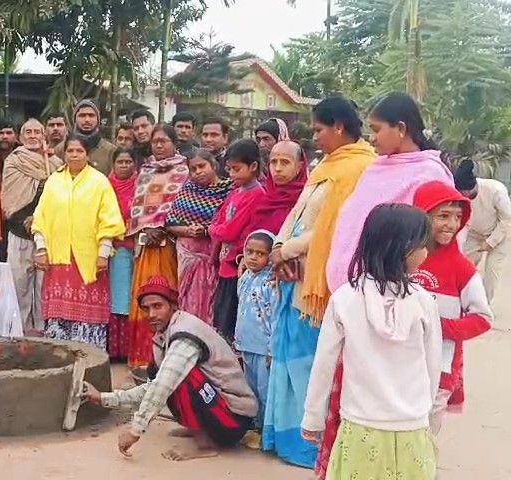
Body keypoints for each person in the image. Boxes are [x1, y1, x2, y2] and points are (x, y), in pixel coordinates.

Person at [264, 96, 376, 469]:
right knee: (288, 355)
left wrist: (290, 249)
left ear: (339, 127)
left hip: (320, 281)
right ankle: (282, 436)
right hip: (295, 272)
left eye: (318, 130)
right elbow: (300, 211)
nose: (315, 138)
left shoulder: (360, 168)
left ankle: (311, 444)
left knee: (312, 362)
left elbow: (337, 228)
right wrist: (280, 248)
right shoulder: (327, 164)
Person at [303, 203, 441, 480]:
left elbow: (323, 365)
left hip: (359, 425)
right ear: (403, 248)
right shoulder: (424, 301)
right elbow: (432, 364)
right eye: (423, 244)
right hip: (411, 426)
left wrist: (313, 418)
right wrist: (426, 410)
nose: (427, 252)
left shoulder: (344, 298)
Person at [82, 276, 257, 461]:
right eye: (146, 309)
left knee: (179, 377)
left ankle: (206, 445)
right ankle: (199, 427)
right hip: (218, 408)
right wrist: (104, 398)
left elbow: (163, 386)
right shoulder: (163, 334)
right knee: (161, 373)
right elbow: (154, 385)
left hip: (233, 420)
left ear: (173, 306)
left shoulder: (184, 334)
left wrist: (135, 431)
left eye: (158, 306)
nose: (151, 314)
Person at [327, 92, 453, 301]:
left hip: (392, 295)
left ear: (401, 129)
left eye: (377, 129)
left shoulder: (430, 174)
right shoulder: (375, 168)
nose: (371, 138)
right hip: (349, 295)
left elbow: (436, 238)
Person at [32, 135, 125, 350]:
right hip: (58, 260)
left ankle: (90, 361)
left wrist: (103, 252)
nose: (74, 155)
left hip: (90, 260)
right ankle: (59, 362)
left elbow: (109, 220)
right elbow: (41, 218)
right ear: (64, 154)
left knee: (88, 320)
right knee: (58, 317)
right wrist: (41, 248)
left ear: (88, 154)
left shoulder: (99, 182)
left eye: (79, 151)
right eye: (70, 151)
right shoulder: (54, 181)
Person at [413, 182, 492, 425]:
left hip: (441, 367)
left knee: (425, 432)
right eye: (443, 216)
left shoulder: (462, 268)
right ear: (421, 215)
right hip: (401, 362)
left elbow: (483, 319)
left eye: (458, 217)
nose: (452, 224)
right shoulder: (404, 258)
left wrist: (439, 328)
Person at [127, 125, 189, 369]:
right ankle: (143, 360)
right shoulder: (145, 171)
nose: (159, 145)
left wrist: (163, 227)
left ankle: (170, 360)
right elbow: (138, 207)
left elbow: (184, 206)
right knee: (144, 297)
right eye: (155, 142)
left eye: (164, 141)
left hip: (171, 247)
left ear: (175, 143)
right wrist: (147, 228)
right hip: (145, 247)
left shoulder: (184, 172)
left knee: (167, 297)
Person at [1, 118, 63, 334]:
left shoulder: (56, 164)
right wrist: (41, 186)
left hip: (48, 236)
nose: (33, 135)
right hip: (19, 231)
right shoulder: (14, 161)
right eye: (28, 132)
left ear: (44, 135)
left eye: (37, 131)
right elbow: (10, 199)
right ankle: (20, 332)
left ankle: (43, 332)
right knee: (20, 286)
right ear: (20, 137)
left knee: (44, 287)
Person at [166, 149, 230, 325]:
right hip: (188, 258)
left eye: (202, 166)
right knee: (188, 301)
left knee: (212, 304)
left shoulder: (229, 190)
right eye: (193, 169)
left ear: (214, 165)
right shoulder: (187, 190)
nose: (198, 172)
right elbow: (170, 223)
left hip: (214, 259)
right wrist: (188, 231)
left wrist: (206, 231)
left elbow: (229, 223)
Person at [210, 139, 264, 341]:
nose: (232, 174)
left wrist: (214, 230)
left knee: (231, 320)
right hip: (225, 264)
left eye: (236, 169)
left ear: (253, 166)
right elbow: (219, 219)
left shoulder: (257, 195)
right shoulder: (234, 193)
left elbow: (229, 231)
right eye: (229, 169)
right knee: (221, 318)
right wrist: (217, 229)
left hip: (238, 265)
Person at [235, 230, 277, 449]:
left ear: (270, 256)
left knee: (264, 389)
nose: (253, 257)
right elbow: (241, 309)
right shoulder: (244, 278)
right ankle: (253, 425)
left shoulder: (271, 282)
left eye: (260, 253)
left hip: (263, 348)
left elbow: (275, 317)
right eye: (249, 252)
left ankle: (265, 431)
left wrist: (272, 349)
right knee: (250, 388)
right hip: (246, 344)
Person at [455, 159, 511, 302]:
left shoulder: (495, 190)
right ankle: (461, 300)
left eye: (465, 191)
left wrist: (491, 242)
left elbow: (507, 219)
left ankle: (484, 306)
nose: (463, 194)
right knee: (463, 267)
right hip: (474, 235)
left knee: (491, 273)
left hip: (499, 234)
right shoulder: (459, 195)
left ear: (472, 186)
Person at [108, 149, 137, 360]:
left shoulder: (141, 186)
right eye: (120, 161)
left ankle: (130, 349)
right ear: (113, 164)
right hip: (112, 248)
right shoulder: (104, 186)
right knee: (117, 299)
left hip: (136, 247)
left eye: (128, 161)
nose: (125, 165)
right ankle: (116, 349)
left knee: (131, 297)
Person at [247, 140, 308, 237]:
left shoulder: (306, 200)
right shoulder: (264, 199)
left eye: (285, 162)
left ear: (299, 167)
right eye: (274, 162)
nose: (278, 168)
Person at [53, 100, 116, 176]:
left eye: (91, 115)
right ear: (75, 119)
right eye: (82, 115)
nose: (87, 120)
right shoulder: (60, 149)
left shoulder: (111, 151)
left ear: (98, 120)